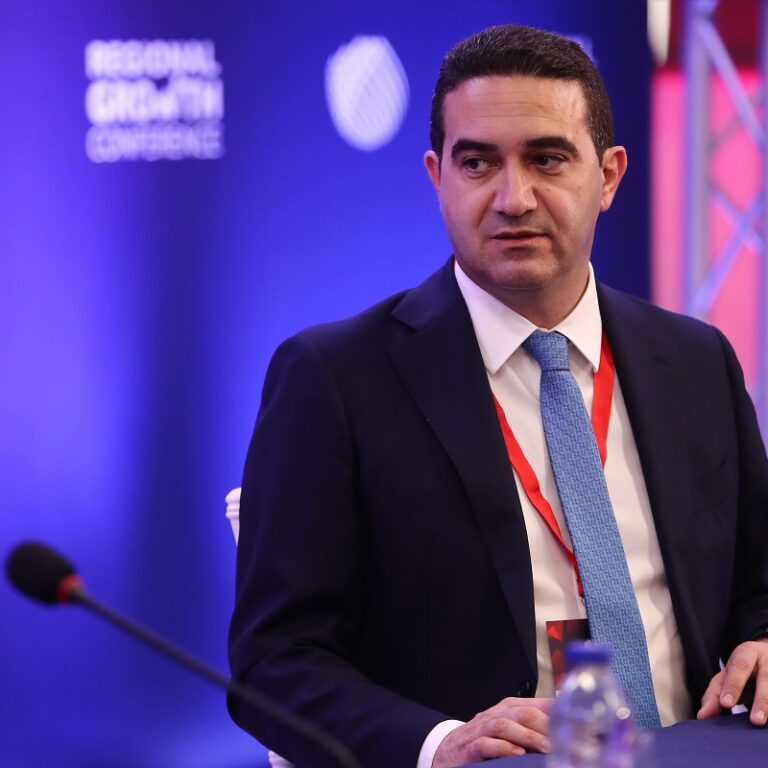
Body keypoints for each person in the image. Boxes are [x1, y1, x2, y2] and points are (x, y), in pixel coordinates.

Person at [229, 24, 768, 768]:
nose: (513, 198)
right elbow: (274, 664)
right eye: (478, 163)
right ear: (437, 177)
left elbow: (758, 581)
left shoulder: (696, 360)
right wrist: (439, 743)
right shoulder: (335, 379)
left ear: (610, 176)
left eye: (547, 158)